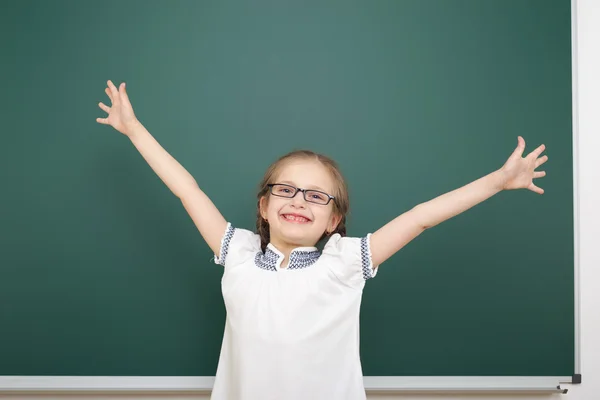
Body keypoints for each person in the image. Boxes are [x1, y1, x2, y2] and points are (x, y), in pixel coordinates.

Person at [96, 80, 548, 400]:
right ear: (264, 206)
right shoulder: (238, 253)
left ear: (333, 220)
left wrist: (496, 181)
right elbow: (186, 189)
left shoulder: (345, 262)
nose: (299, 201)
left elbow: (420, 218)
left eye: (316, 196)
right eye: (286, 190)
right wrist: (134, 129)